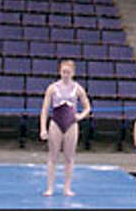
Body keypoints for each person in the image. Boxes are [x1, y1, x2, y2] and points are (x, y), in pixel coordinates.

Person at [39, 59, 91, 197]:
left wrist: (81, 116)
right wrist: (43, 128)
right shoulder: (52, 88)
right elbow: (44, 109)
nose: (65, 74)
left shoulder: (78, 88)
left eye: (68, 72)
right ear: (59, 72)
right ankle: (50, 188)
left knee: (69, 158)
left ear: (73, 73)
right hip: (55, 123)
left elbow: (87, 107)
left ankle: (67, 188)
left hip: (71, 124)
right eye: (63, 72)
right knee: (52, 156)